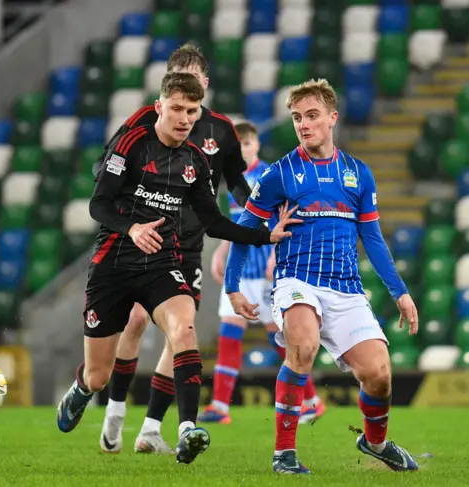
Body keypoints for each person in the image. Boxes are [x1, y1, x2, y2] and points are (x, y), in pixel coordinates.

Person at [56, 72, 299, 467]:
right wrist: (132, 228)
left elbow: (213, 220)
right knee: (99, 374)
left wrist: (265, 236)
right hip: (114, 264)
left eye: (192, 111)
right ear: (159, 107)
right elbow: (98, 204)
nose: (184, 118)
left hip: (162, 265)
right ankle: (83, 389)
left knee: (183, 327)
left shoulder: (196, 161)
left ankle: (187, 428)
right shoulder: (131, 144)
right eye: (177, 110)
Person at [223, 79, 420, 474]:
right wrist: (232, 286)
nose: (303, 125)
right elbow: (243, 229)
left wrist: (399, 291)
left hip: (346, 288)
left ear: (332, 118)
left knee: (379, 375)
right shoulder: (280, 174)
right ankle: (284, 454)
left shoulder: (358, 174)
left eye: (311, 116)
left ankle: (375, 442)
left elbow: (373, 238)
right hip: (297, 280)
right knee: (304, 344)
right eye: (297, 118)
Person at [95, 44, 255, 455]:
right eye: (178, 73)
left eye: (194, 76)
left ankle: (152, 428)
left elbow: (236, 180)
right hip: (146, 239)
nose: (187, 85)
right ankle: (114, 411)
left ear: (205, 83)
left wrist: (256, 211)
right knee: (133, 322)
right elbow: (105, 169)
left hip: (191, 243)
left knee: (179, 335)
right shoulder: (143, 123)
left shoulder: (221, 130)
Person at [199, 121, 325, 425]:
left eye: (247, 144)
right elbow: (237, 223)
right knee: (229, 335)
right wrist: (221, 250)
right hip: (241, 272)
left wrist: (275, 255)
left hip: (268, 272)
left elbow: (283, 218)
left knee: (280, 339)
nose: (242, 149)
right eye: (236, 145)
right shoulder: (230, 180)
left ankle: (311, 400)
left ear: (255, 145)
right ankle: (220, 406)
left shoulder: (271, 175)